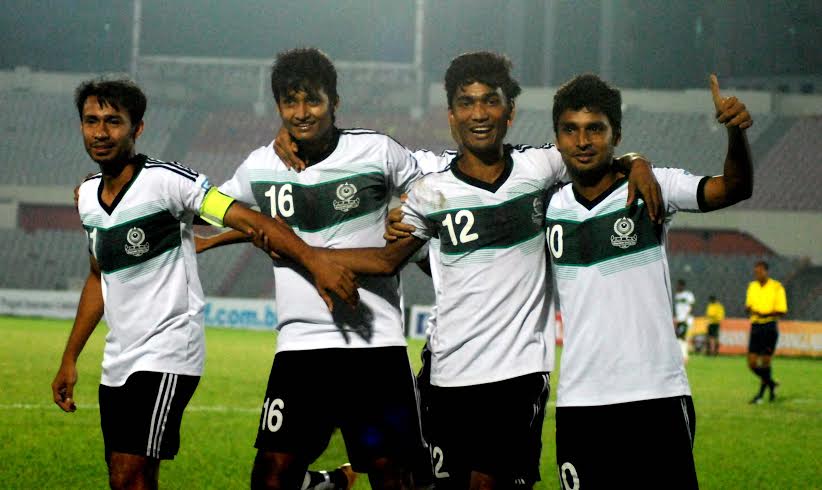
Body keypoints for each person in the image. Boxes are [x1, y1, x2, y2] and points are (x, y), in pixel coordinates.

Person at [262, 51, 662, 489]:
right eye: (467, 103)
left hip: (516, 373)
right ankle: (327, 482)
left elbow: (593, 153)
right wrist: (302, 246)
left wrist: (636, 161)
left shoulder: (540, 166)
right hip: (444, 372)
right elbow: (384, 254)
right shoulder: (431, 181)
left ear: (509, 111)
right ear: (450, 114)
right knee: (414, 479)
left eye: (490, 101)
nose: (479, 114)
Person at [50, 79, 357, 490]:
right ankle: (321, 485)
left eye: (113, 122)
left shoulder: (169, 182)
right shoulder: (87, 196)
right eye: (91, 121)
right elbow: (97, 275)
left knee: (129, 476)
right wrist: (70, 357)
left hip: (167, 351)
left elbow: (249, 218)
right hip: (118, 359)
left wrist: (315, 261)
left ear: (136, 128)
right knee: (126, 478)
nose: (101, 132)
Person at [196, 47, 427, 490]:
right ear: (278, 106)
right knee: (272, 476)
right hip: (300, 349)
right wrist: (110, 181)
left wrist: (409, 217)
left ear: (334, 102)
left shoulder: (376, 151)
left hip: (374, 346)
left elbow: (434, 194)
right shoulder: (260, 165)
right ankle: (327, 483)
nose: (302, 113)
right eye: (290, 102)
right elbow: (210, 205)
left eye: (313, 101)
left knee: (390, 475)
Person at [545, 73, 753, 489]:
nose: (582, 141)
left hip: (655, 396)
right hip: (581, 402)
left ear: (615, 134)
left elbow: (733, 187)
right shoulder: (546, 206)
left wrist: (735, 135)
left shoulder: (653, 188)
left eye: (595, 129)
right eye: (570, 130)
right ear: (557, 138)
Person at [745, 260, 787, 403]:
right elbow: (748, 306)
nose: (757, 274)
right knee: (751, 363)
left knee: (765, 362)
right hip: (756, 327)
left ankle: (761, 396)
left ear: (766, 271)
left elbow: (782, 310)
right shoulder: (752, 286)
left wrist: (764, 314)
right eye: (755, 272)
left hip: (769, 327)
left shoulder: (777, 287)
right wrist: (750, 310)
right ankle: (771, 383)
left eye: (759, 271)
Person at [674, 279, 696, 363]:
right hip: (679, 320)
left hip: (685, 320)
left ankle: (685, 357)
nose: (677, 287)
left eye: (679, 285)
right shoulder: (677, 296)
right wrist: (676, 319)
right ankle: (683, 356)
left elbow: (691, 306)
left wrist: (686, 318)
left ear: (682, 286)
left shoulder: (688, 295)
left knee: (681, 338)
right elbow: (677, 309)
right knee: (680, 338)